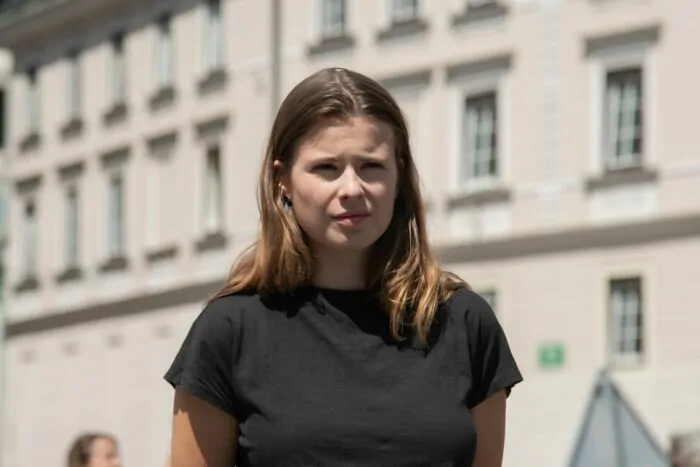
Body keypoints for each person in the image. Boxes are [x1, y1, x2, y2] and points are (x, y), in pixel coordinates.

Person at [164, 67, 523, 467]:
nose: (352, 188)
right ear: (282, 180)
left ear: (399, 175)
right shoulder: (229, 330)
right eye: (327, 168)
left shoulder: (465, 323)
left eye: (371, 166)